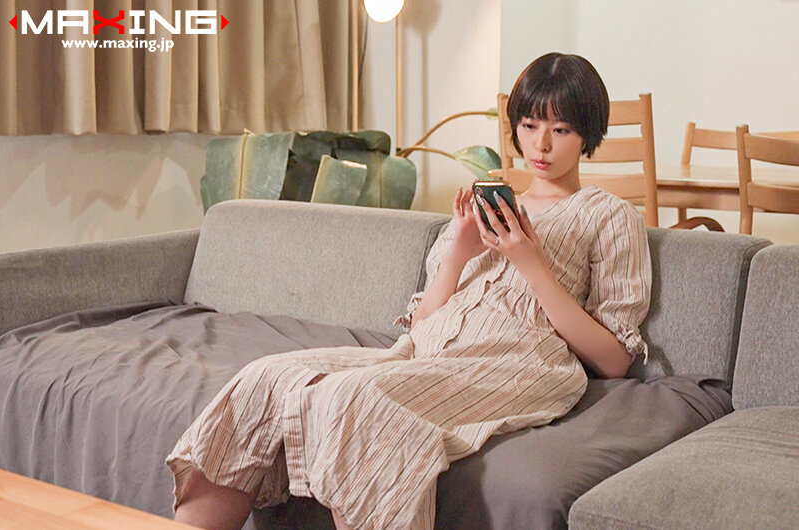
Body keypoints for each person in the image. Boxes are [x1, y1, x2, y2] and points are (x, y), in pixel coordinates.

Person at [166, 52, 651, 530]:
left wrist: (531, 264)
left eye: (560, 130)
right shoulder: (488, 206)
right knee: (266, 378)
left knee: (356, 400)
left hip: (516, 363)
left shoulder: (609, 215)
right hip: (423, 354)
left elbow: (614, 360)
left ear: (588, 133)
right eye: (529, 125)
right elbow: (421, 325)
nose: (540, 144)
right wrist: (459, 252)